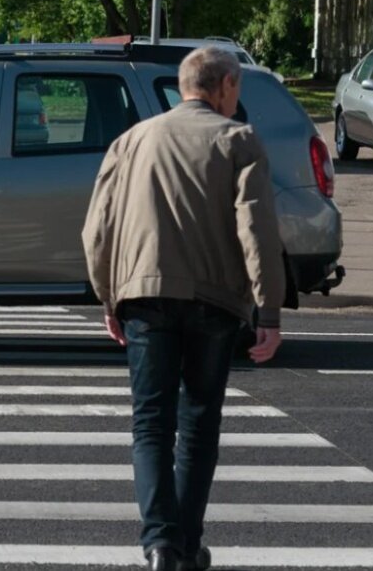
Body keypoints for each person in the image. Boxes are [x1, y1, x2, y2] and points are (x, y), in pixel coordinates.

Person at [81, 46, 284, 571]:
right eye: (235, 89)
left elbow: (96, 229)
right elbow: (257, 230)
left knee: (150, 424)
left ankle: (160, 546)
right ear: (226, 85)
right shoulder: (238, 141)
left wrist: (108, 295)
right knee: (198, 424)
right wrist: (269, 311)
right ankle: (187, 545)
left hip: (143, 297)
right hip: (215, 302)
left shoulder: (131, 140)